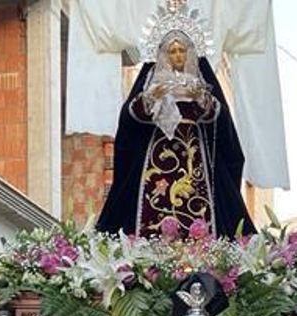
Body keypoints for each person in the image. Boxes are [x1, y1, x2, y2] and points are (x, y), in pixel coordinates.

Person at [94, 15, 254, 239]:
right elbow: (129, 119)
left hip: (195, 158)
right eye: (172, 51)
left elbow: (222, 121)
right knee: (151, 209)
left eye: (182, 50)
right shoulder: (152, 82)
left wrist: (202, 101)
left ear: (189, 53)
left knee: (202, 210)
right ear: (164, 55)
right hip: (156, 159)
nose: (178, 55)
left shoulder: (199, 83)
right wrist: (149, 100)